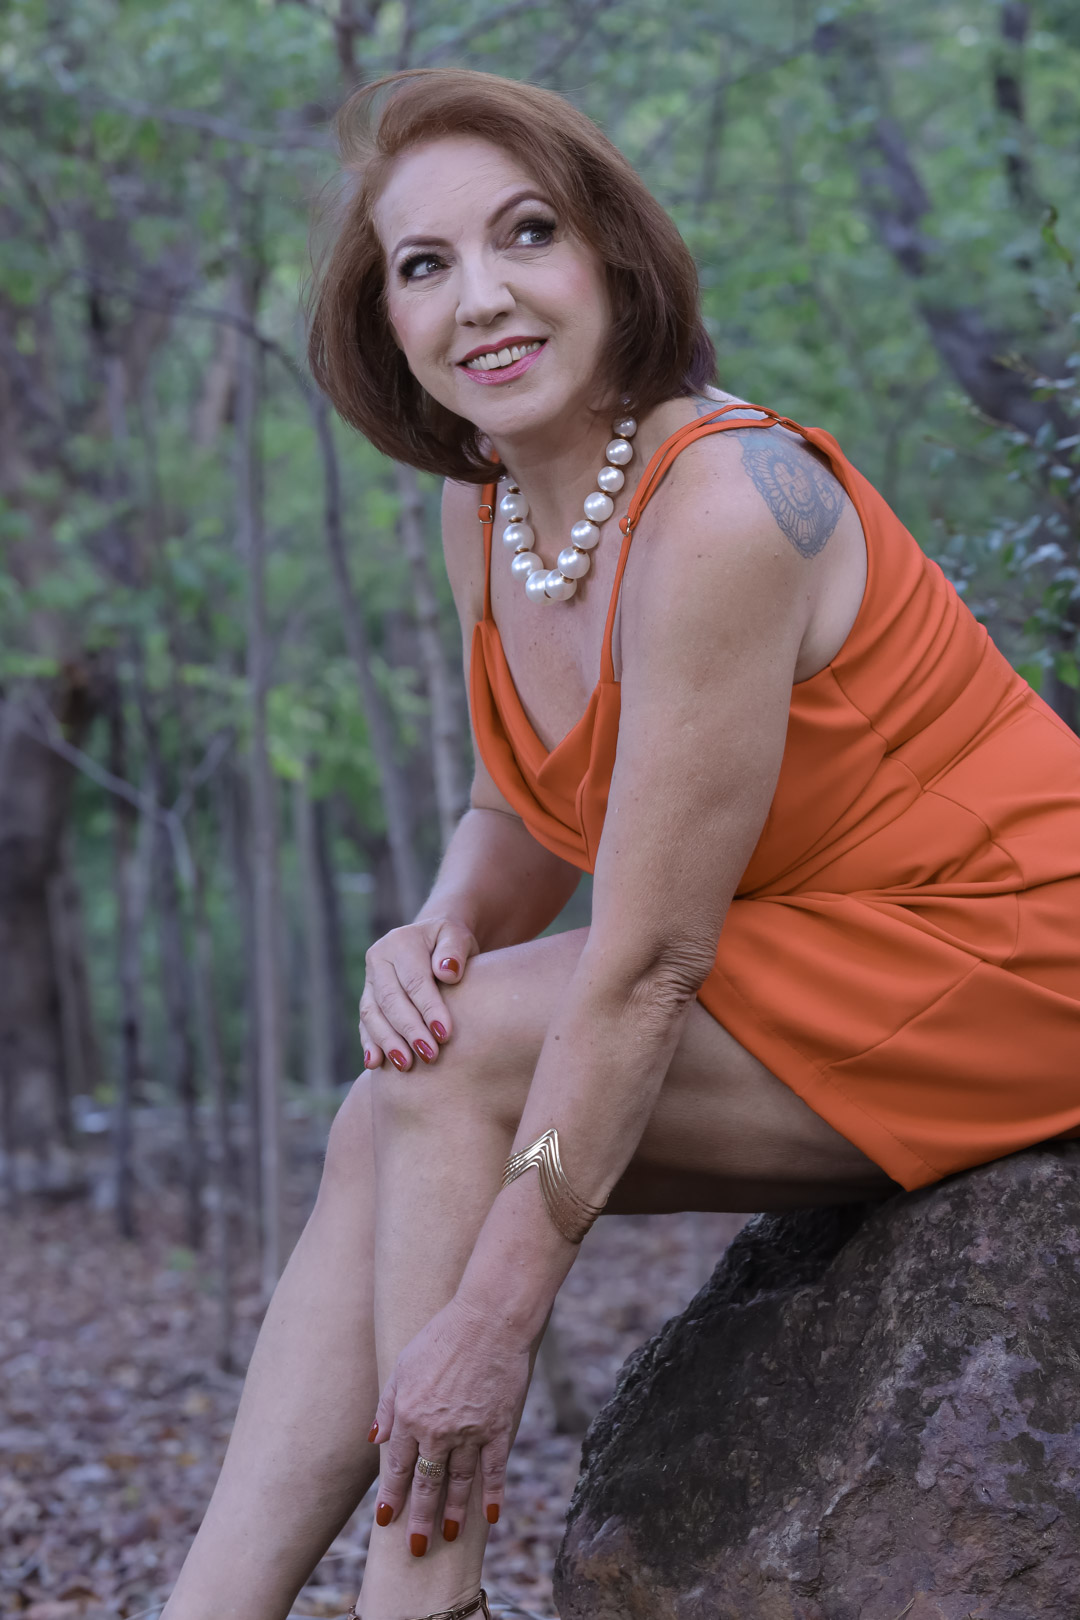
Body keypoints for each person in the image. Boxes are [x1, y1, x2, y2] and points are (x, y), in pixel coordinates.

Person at [161, 66, 1080, 1620]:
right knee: (393, 1091)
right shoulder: (486, 513)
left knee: (454, 1060)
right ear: (386, 321)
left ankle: (419, 1601)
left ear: (613, 256)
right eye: (425, 264)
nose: (483, 296)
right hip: (812, 952)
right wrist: (441, 927)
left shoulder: (725, 508)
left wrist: (494, 1317)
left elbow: (648, 963)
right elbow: (521, 804)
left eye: (528, 233)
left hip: (1012, 948)